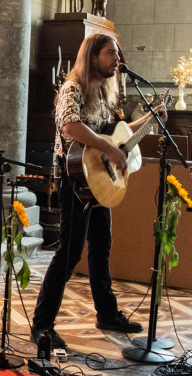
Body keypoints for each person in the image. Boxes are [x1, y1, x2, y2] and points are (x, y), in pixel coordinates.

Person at [30, 34, 165, 349]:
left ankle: (106, 313)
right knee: (69, 253)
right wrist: (108, 149)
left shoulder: (105, 91)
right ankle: (42, 324)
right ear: (92, 56)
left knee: (102, 246)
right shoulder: (73, 88)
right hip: (75, 179)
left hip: (99, 178)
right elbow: (70, 126)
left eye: (117, 53)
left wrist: (151, 118)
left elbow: (118, 134)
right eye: (110, 53)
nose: (117, 59)